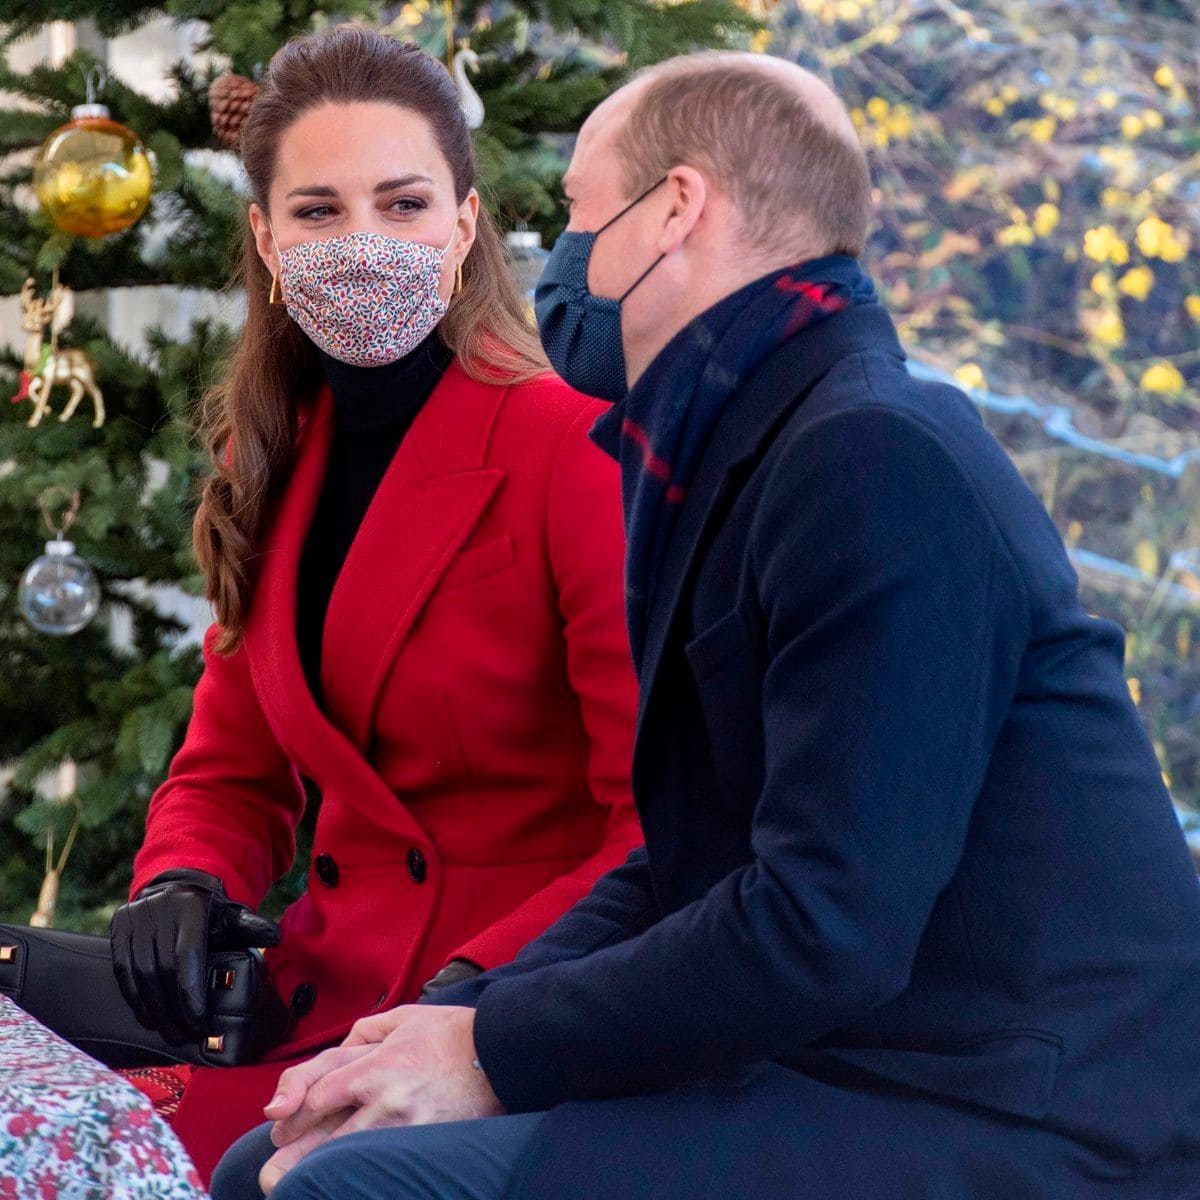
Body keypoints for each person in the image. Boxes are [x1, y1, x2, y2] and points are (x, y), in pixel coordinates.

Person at [212, 49, 1200, 1200]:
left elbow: (825, 925)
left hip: (1011, 1101)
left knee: (343, 1185)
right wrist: (450, 1021)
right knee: (271, 1159)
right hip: (855, 1061)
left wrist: (491, 1052)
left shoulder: (874, 460)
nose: (557, 268)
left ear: (673, 209)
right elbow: (685, 863)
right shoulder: (745, 451)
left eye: (580, 215)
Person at [107, 24, 642, 1187]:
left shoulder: (570, 449)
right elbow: (229, 772)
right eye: (317, 211)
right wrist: (183, 881)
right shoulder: (279, 462)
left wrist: (481, 1000)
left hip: (503, 1020)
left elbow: (656, 821)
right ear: (265, 237)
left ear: (462, 225)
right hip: (318, 1006)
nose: (362, 244)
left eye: (402, 206)